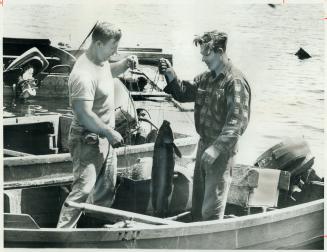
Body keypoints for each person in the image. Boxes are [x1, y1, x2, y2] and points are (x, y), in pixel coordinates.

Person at [158, 31, 251, 221]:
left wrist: (217, 148)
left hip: (221, 152)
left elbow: (237, 122)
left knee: (211, 211)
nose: (202, 59)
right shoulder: (206, 78)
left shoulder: (235, 82)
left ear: (219, 51)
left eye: (206, 54)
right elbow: (183, 93)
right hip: (203, 146)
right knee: (198, 204)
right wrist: (170, 74)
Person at [57, 21, 138, 228]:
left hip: (105, 137)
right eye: (113, 47)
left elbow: (106, 73)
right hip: (87, 139)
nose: (116, 51)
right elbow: (83, 114)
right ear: (99, 44)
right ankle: (61, 235)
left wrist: (124, 64)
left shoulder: (99, 62)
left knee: (106, 189)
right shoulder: (82, 74)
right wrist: (108, 131)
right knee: (82, 190)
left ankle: (95, 233)